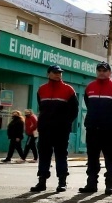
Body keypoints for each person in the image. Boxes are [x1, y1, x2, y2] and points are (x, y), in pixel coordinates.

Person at [78, 62, 112, 195]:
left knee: (109, 157)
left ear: (110, 73)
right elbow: (88, 103)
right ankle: (91, 184)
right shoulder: (90, 87)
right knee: (92, 157)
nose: (101, 72)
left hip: (109, 129)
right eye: (99, 70)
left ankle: (109, 184)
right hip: (92, 128)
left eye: (104, 70)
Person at [30, 65, 79, 193]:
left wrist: (65, 123)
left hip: (61, 130)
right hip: (45, 129)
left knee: (61, 155)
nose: (58, 74)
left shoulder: (69, 90)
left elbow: (74, 111)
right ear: (49, 74)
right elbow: (41, 108)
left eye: (60, 73)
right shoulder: (41, 89)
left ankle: (62, 182)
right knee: (44, 155)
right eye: (55, 72)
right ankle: (42, 181)